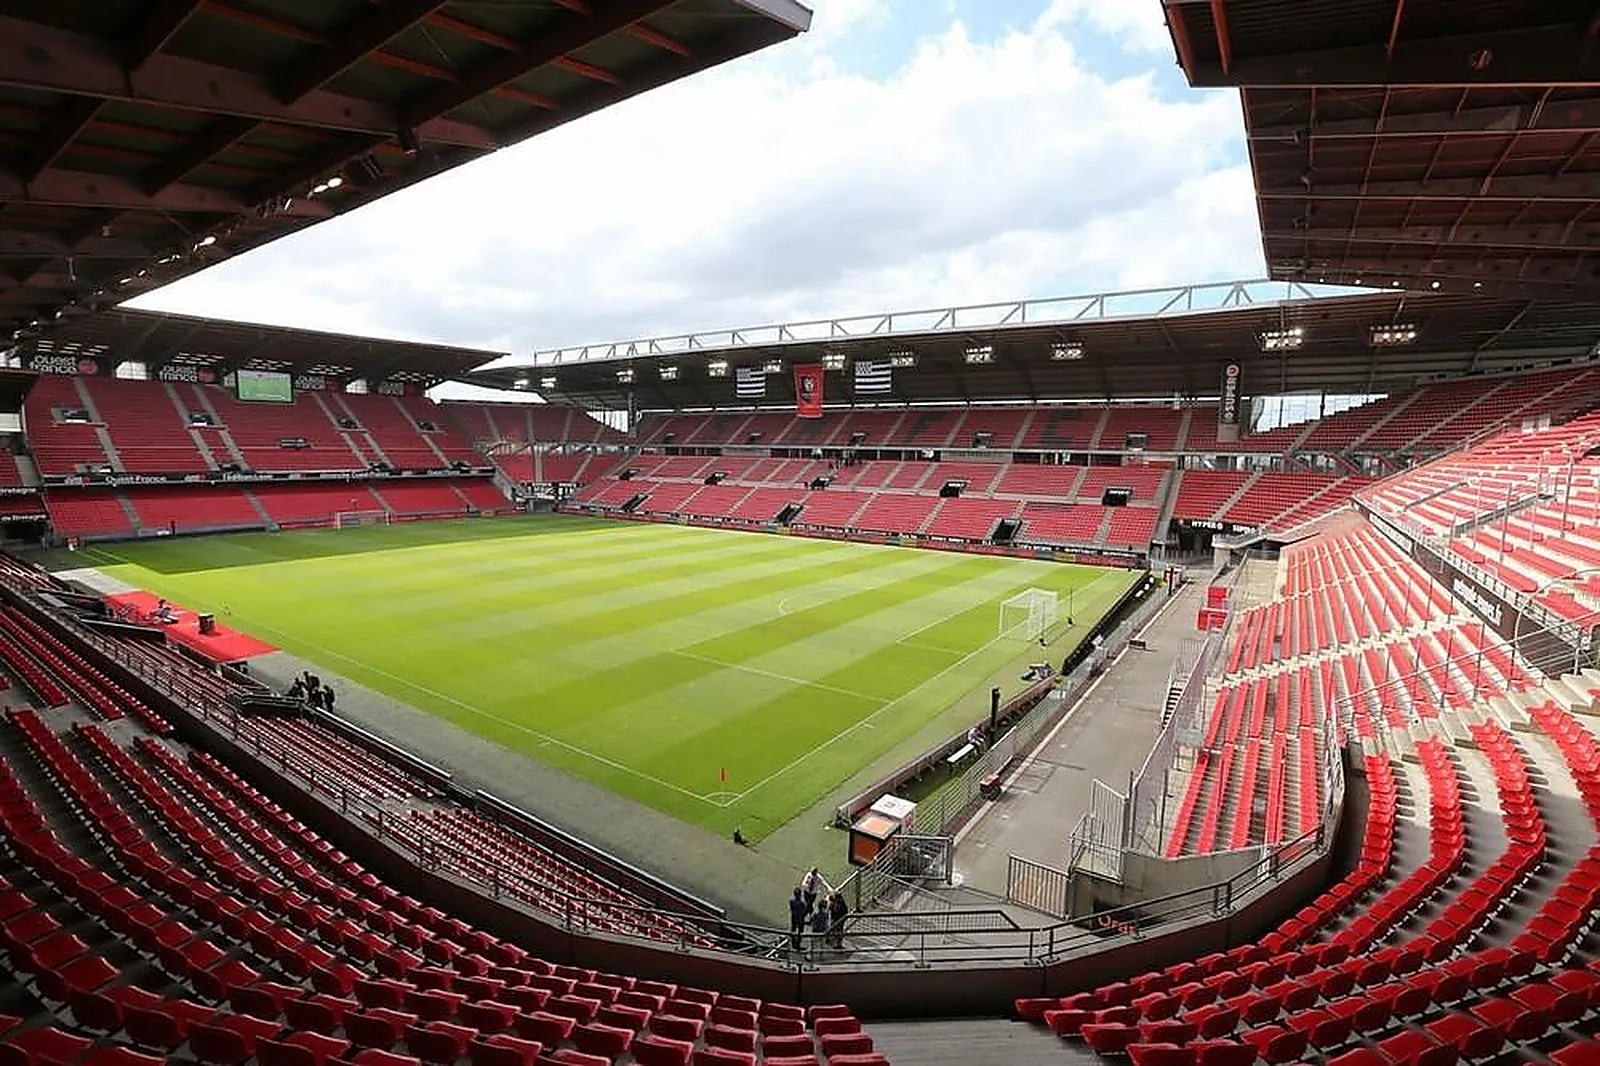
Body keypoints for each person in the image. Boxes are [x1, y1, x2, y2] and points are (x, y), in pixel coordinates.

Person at [787, 887, 808, 952]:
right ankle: (798, 944)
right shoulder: (802, 902)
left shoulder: (791, 900)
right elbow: (804, 910)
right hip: (800, 917)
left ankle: (793, 943)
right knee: (800, 931)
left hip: (794, 916)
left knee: (793, 929)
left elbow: (791, 908)